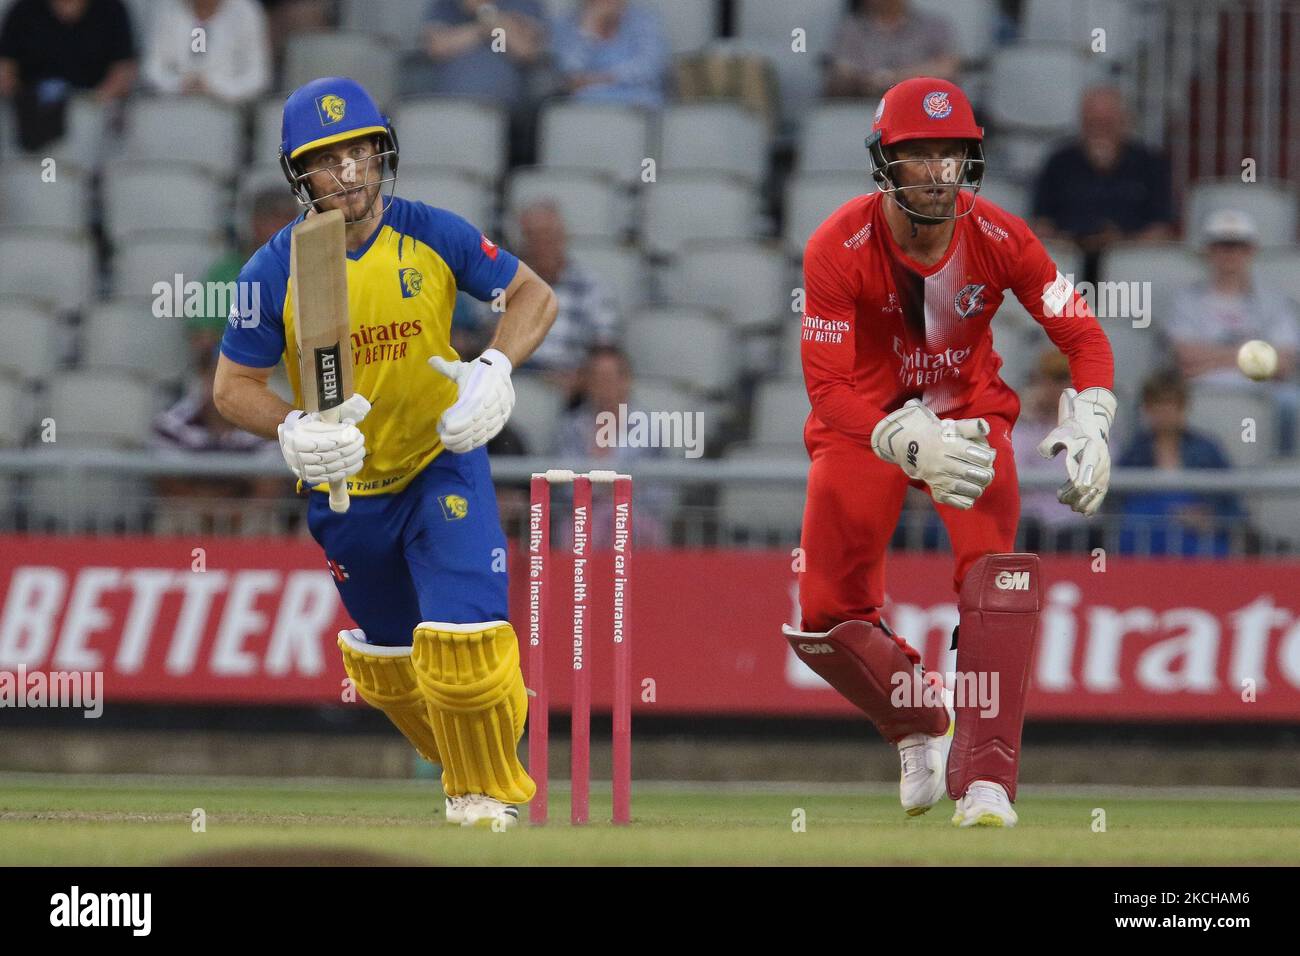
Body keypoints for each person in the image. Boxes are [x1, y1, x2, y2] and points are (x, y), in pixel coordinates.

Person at [214, 77, 558, 829]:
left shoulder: (433, 232)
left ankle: (487, 799)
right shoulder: (272, 271)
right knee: (397, 675)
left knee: (465, 655)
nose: (348, 173)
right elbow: (231, 386)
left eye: (359, 152)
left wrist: (495, 367)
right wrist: (289, 426)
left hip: (441, 462)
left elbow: (533, 295)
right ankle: (477, 774)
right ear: (299, 175)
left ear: (381, 152)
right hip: (347, 495)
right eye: (326, 160)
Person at [789, 78, 1116, 828]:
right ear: (885, 164)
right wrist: (900, 434)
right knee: (824, 620)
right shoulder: (836, 247)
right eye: (919, 155)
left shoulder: (1002, 236)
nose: (937, 172)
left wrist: (1094, 416)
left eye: (951, 155)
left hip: (969, 418)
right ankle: (916, 723)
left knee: (996, 586)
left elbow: (1084, 336)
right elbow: (826, 388)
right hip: (864, 424)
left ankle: (988, 781)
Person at [1167, 208, 1300, 453]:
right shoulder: (1186, 299)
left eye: (1238, 246)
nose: (1230, 253)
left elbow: (1284, 363)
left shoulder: (1275, 300)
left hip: (1263, 391)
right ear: (1208, 250)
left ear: (1251, 250)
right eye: (1222, 245)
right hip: (1203, 387)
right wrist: (1252, 353)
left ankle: (1284, 480)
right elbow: (1185, 358)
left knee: (1292, 403)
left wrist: (1211, 358)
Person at [1031, 86, 1175, 280]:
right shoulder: (1058, 162)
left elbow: (1161, 230)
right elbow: (1041, 224)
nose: (1100, 128)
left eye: (1107, 122)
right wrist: (1069, 243)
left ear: (1125, 120)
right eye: (1093, 121)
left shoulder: (1150, 164)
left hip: (1129, 268)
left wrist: (1121, 242)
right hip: (1067, 264)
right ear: (1082, 122)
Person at [1115, 369, 1246, 557]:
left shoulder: (1207, 450)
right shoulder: (1135, 452)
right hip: (1144, 546)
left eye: (1170, 404)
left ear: (1183, 407)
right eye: (1157, 404)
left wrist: (1208, 518)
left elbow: (1233, 506)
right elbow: (1115, 505)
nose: (1164, 411)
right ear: (1147, 408)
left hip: (1197, 544)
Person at [550, 345, 669, 547]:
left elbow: (661, 489)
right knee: (580, 529)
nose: (603, 386)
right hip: (582, 518)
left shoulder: (650, 428)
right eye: (596, 379)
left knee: (623, 524)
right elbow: (563, 486)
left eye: (610, 378)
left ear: (626, 381)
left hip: (637, 519)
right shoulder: (570, 428)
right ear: (586, 383)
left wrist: (612, 494)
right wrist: (607, 490)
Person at [0, 0, 137, 151]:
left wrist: (88, 104)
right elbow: (5, 69)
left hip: (93, 117)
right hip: (30, 119)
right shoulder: (23, 9)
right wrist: (23, 101)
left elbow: (123, 70)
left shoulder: (111, 8)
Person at [514, 200, 620, 392]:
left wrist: (581, 380)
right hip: (511, 382)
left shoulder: (591, 288)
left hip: (569, 389)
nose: (540, 245)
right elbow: (484, 338)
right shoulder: (506, 284)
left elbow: (605, 351)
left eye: (547, 236)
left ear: (562, 238)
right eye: (532, 237)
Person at [1013, 350, 1096, 552]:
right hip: (1029, 527)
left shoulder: (1092, 427)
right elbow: (1013, 470)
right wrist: (1026, 415)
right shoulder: (1023, 425)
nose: (1055, 387)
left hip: (1074, 527)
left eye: (1062, 379)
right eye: (1048, 379)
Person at [823, 0, 959, 100]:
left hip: (921, 108)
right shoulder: (850, 29)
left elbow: (948, 69)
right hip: (863, 110)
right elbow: (839, 73)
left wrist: (892, 79)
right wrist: (866, 82)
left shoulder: (934, 25)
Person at [142, 0, 271, 104]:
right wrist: (178, 85)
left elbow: (258, 76)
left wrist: (215, 87)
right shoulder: (167, 9)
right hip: (173, 108)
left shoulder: (246, 11)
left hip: (229, 112)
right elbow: (151, 68)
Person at [551, 0, 668, 109]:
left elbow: (649, 69)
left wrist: (598, 79)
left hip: (639, 105)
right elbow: (570, 72)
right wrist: (588, 30)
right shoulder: (566, 22)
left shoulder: (644, 21)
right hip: (585, 107)